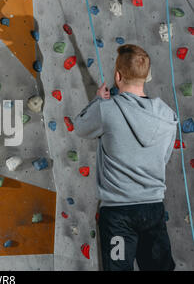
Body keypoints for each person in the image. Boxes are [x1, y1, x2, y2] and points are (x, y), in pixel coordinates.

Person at [74, 44, 177, 271]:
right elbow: (164, 157)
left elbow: (79, 127)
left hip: (118, 214)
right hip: (153, 209)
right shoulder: (168, 115)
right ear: (146, 76)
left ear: (117, 76)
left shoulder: (107, 109)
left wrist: (98, 100)